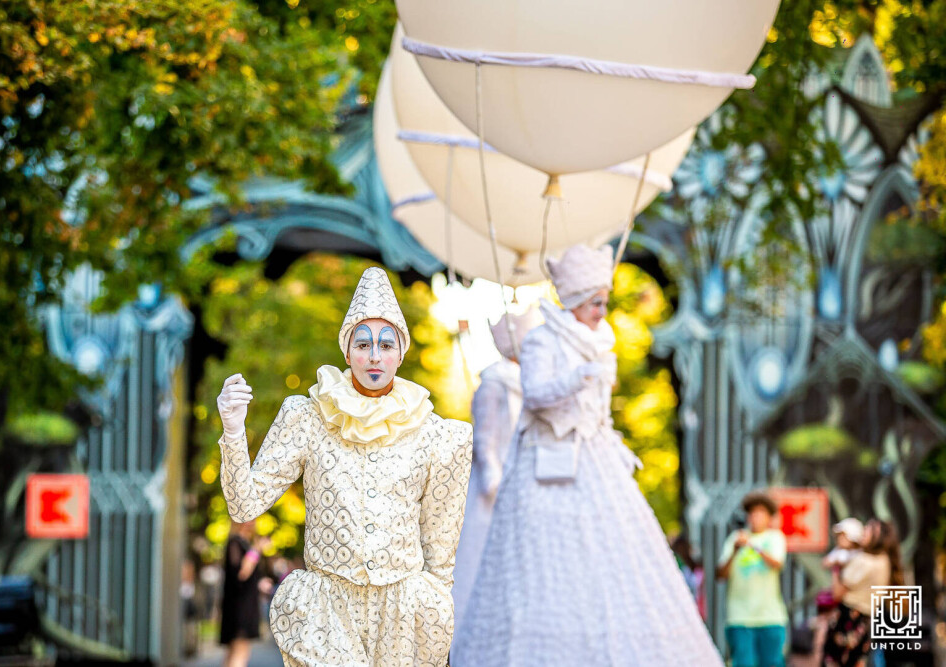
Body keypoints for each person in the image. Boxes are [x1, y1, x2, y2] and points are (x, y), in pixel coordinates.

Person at [451, 244, 723, 666]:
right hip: (546, 463)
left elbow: (599, 414)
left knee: (617, 554)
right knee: (543, 559)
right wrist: (578, 377)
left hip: (594, 459)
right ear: (576, 300)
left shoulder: (601, 343)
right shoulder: (542, 340)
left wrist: (616, 446)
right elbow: (537, 395)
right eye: (596, 301)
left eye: (604, 301)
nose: (602, 310)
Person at [216, 266, 472, 667]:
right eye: (363, 343)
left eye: (386, 345)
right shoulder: (308, 417)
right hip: (327, 612)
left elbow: (440, 552)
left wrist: (433, 618)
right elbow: (243, 506)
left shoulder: (436, 435)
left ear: (401, 352)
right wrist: (233, 432)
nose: (374, 356)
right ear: (346, 349)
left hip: (402, 619)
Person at [452, 308, 539, 640]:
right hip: (495, 485)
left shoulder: (527, 384)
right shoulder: (493, 383)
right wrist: (492, 475)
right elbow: (485, 437)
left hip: (520, 481)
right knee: (482, 557)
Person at [715, 490, 788, 667]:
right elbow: (720, 575)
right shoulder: (734, 539)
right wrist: (735, 550)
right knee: (742, 663)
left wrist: (752, 545)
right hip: (739, 617)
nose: (755, 518)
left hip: (770, 617)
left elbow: (777, 563)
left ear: (769, 517)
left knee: (772, 662)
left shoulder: (775, 537)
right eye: (753, 513)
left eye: (761, 514)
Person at [822, 519, 902, 667]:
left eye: (869, 529)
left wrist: (835, 569)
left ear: (877, 537)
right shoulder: (884, 560)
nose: (864, 531)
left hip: (848, 620)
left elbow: (837, 593)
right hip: (865, 622)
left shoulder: (865, 561)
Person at [219, 521, 268, 667]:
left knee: (236, 652)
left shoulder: (244, 543)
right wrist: (256, 549)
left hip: (244, 605)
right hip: (239, 607)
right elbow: (242, 573)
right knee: (239, 651)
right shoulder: (235, 543)